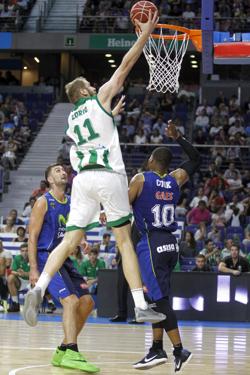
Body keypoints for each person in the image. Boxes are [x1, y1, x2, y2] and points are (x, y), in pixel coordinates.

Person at [23, 12, 166, 326]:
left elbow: (96, 129)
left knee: (69, 241)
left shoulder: (72, 121)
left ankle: (40, 287)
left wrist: (110, 114)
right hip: (106, 175)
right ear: (86, 91)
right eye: (90, 85)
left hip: (83, 180)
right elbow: (127, 64)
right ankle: (141, 304)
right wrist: (146, 34)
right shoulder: (99, 96)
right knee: (124, 240)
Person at [129, 120, 201, 372]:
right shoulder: (175, 179)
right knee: (157, 299)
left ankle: (179, 348)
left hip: (151, 242)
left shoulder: (140, 178)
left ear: (151, 160)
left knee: (159, 301)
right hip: (171, 244)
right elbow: (195, 158)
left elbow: (123, 205)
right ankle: (155, 348)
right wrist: (178, 136)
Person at [26, 163, 99, 372]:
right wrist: (33, 269)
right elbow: (32, 237)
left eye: (63, 170)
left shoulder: (71, 202)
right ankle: (73, 352)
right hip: (46, 258)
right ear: (49, 179)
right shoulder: (43, 202)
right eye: (57, 171)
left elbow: (72, 228)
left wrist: (82, 240)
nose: (62, 172)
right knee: (71, 301)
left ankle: (62, 349)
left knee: (87, 303)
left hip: (65, 260)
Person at [7, 243, 30, 312]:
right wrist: (18, 273)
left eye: (26, 251)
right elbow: (12, 271)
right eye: (22, 251)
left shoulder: (34, 258)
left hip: (31, 281)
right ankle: (15, 303)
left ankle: (33, 306)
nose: (24, 253)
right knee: (10, 278)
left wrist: (24, 274)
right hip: (20, 280)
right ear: (20, 251)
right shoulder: (17, 258)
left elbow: (35, 273)